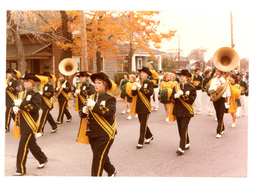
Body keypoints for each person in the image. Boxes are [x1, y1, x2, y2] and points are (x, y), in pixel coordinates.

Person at [81, 72, 117, 176]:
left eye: (99, 83)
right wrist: (83, 111)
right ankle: (111, 171)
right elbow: (82, 114)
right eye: (95, 83)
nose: (96, 85)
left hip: (105, 134)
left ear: (105, 85)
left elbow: (110, 112)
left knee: (97, 159)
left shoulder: (110, 98)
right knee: (100, 155)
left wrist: (95, 106)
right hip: (92, 133)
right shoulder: (91, 97)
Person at [12, 73, 48, 176]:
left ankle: (20, 169)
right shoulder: (22, 93)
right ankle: (43, 159)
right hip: (23, 122)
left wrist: (21, 105)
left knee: (23, 146)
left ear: (32, 83)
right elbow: (18, 104)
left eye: (27, 81)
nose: (25, 83)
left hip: (30, 123)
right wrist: (15, 107)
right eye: (24, 81)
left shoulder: (35, 94)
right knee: (32, 144)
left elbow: (35, 108)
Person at [170, 69, 196, 155]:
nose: (180, 77)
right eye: (180, 76)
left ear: (187, 77)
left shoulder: (191, 88)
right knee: (180, 128)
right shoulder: (176, 87)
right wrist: (175, 96)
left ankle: (181, 147)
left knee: (183, 128)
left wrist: (183, 96)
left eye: (182, 76)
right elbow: (171, 98)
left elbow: (191, 100)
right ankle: (187, 142)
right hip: (178, 111)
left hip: (187, 111)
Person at [131, 66, 154, 149]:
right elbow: (134, 94)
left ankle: (141, 141)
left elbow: (150, 92)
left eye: (143, 73)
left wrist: (140, 88)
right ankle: (149, 136)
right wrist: (133, 89)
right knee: (142, 123)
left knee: (143, 124)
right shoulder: (139, 82)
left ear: (147, 74)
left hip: (145, 105)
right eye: (141, 73)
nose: (141, 74)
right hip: (139, 105)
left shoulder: (150, 83)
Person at [209, 68, 231, 139]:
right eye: (216, 71)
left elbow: (227, 90)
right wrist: (212, 89)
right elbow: (210, 88)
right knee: (218, 114)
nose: (217, 72)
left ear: (221, 72)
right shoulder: (214, 79)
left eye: (218, 71)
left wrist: (228, 101)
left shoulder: (225, 80)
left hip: (222, 98)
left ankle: (219, 131)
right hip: (215, 98)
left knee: (221, 115)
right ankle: (222, 127)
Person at [75, 71, 95, 142]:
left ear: (85, 77)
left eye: (82, 77)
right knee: (82, 119)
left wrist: (79, 92)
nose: (80, 78)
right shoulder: (79, 84)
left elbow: (91, 93)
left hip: (86, 103)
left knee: (86, 120)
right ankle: (82, 134)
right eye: (80, 77)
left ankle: (83, 135)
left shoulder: (88, 85)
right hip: (81, 104)